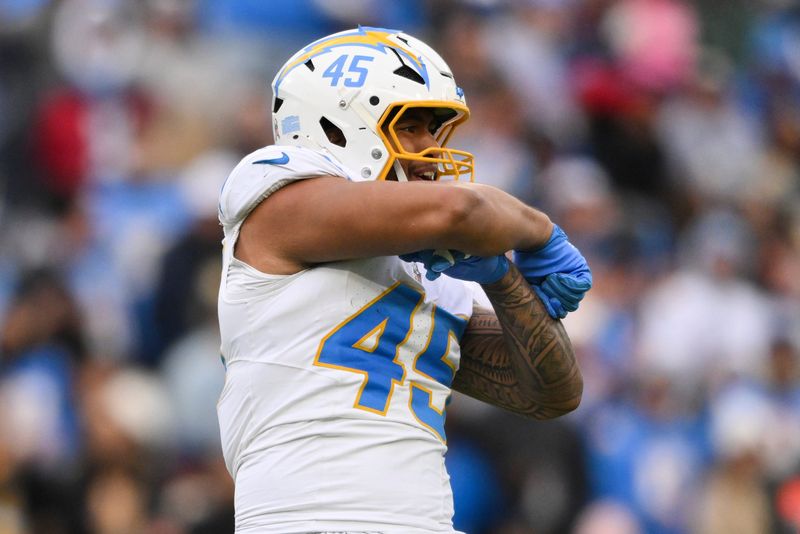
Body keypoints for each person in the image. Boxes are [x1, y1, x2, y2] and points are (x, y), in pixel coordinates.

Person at [216, 27, 592, 534]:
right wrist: (539, 231)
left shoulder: (428, 266)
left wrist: (502, 278)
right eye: (412, 126)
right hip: (304, 518)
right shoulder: (273, 192)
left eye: (436, 131)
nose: (432, 149)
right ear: (339, 120)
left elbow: (552, 394)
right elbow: (462, 209)